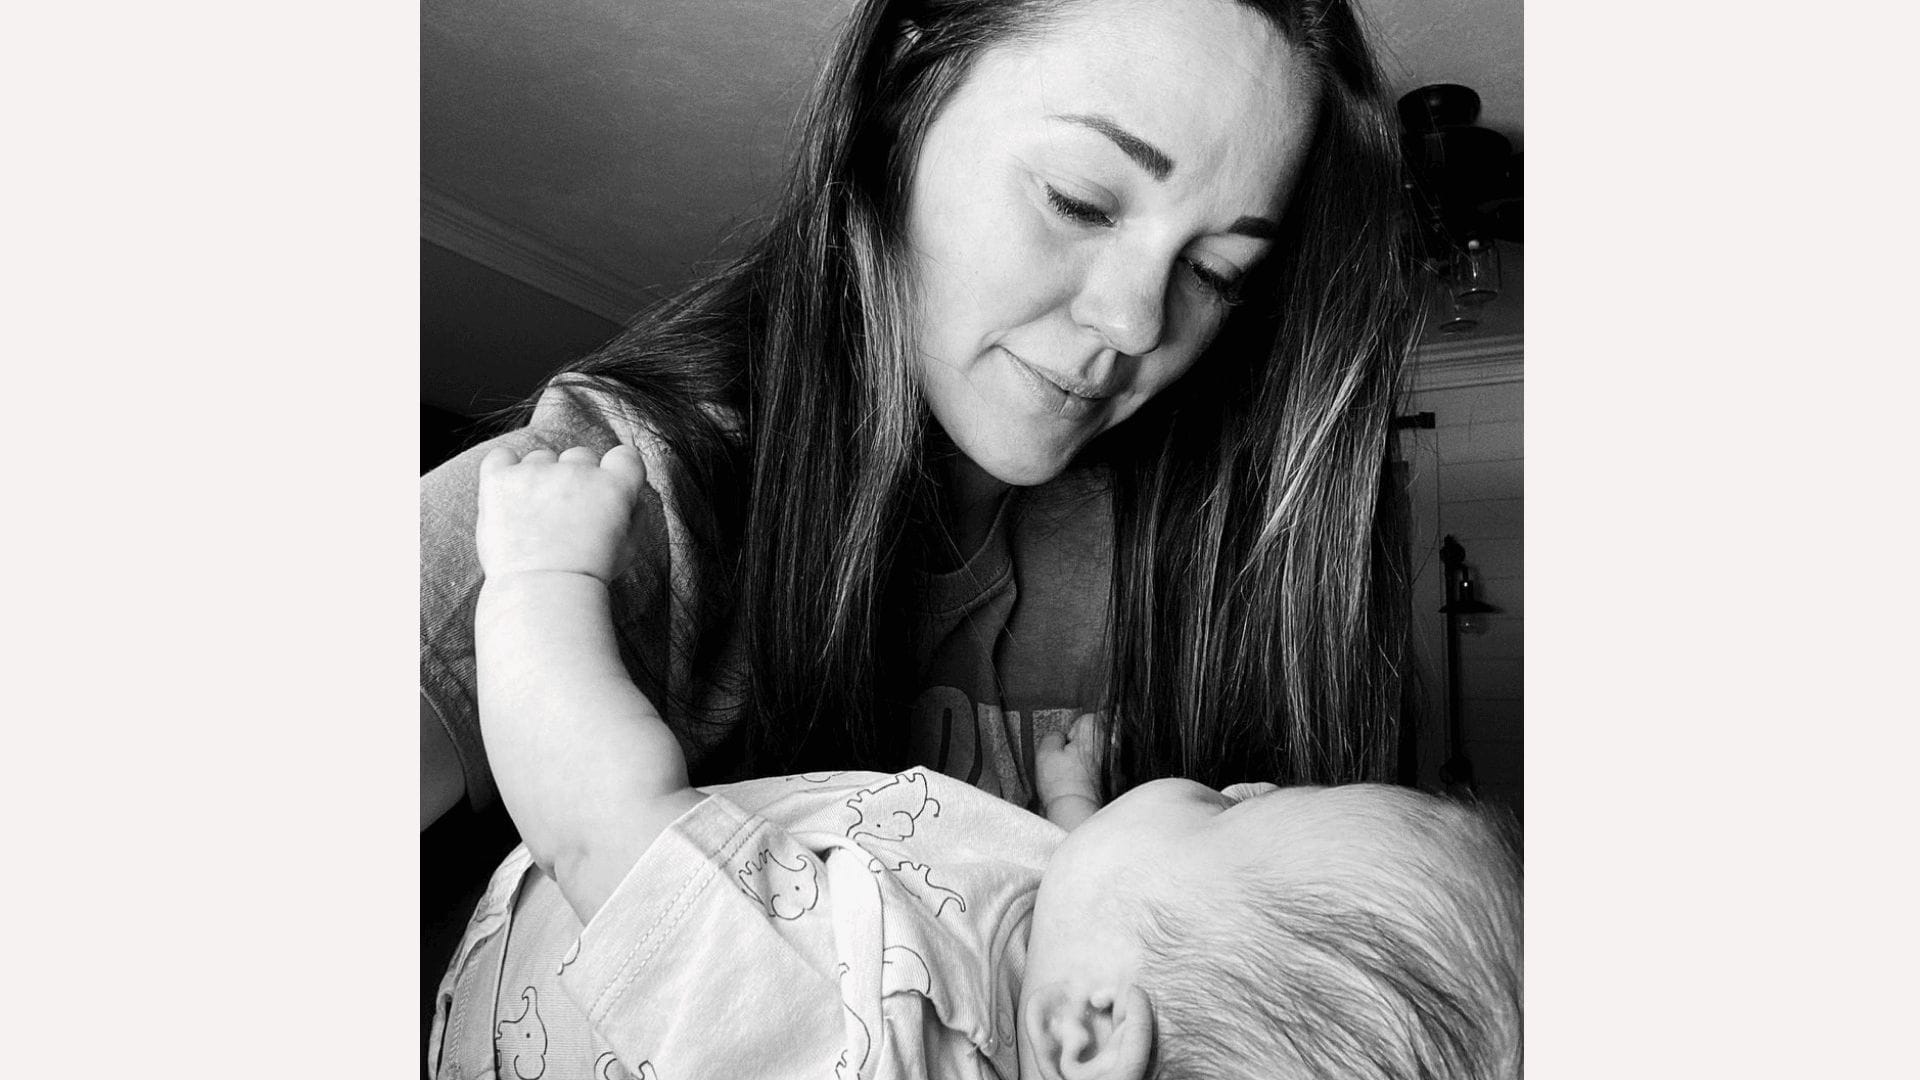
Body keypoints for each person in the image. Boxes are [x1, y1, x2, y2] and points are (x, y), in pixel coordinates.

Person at [420, 0, 1422, 833]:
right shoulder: (595, 508)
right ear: (900, 103)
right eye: (1080, 199)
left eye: (1215, 272)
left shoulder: (1225, 559)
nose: (1133, 321)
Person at [429, 442, 1520, 1080]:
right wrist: (1074, 803)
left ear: (1086, 1032)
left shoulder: (830, 1018)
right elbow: (1103, 917)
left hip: (541, 954)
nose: (1244, 780)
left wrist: (543, 577)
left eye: (1234, 813)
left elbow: (596, 813)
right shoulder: (1075, 990)